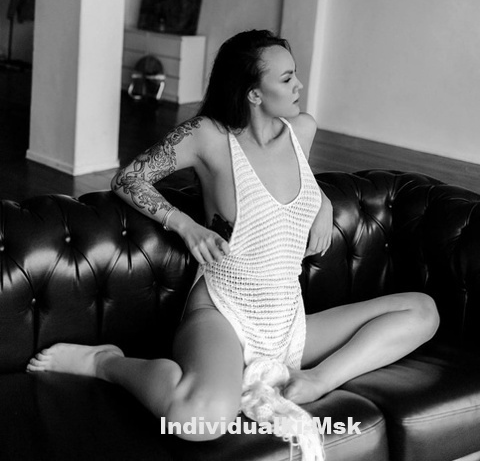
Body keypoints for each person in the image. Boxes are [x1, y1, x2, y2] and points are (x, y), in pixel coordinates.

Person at [27, 29, 439, 443]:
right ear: (253, 94)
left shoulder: (303, 130)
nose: (299, 85)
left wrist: (323, 202)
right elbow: (129, 178)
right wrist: (185, 224)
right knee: (198, 421)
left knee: (422, 311)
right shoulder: (207, 136)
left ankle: (317, 379)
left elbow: (289, 186)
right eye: (287, 78)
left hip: (289, 322)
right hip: (223, 313)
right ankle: (106, 363)